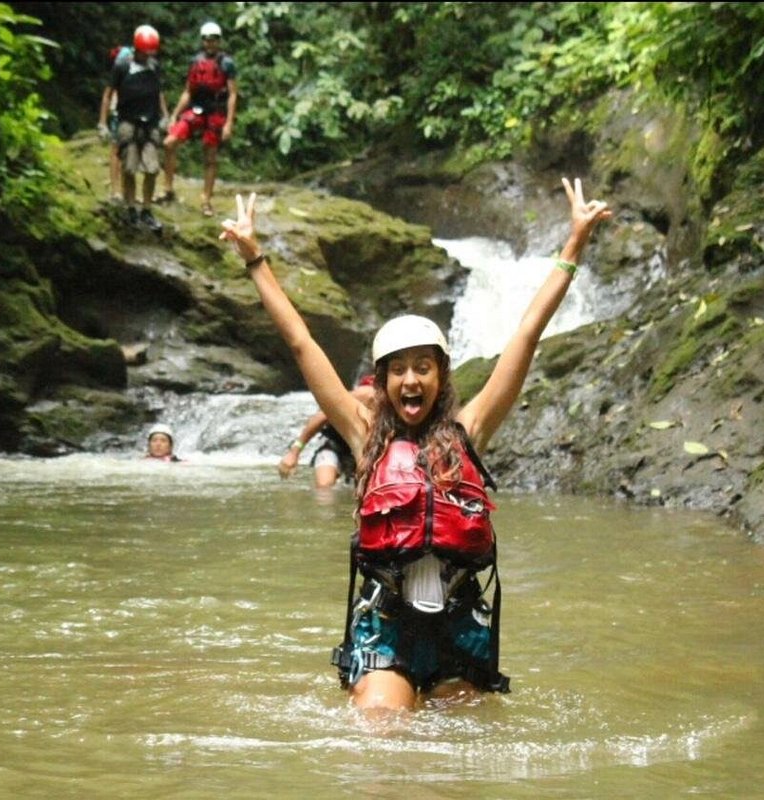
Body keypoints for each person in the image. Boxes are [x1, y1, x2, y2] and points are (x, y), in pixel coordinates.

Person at [219, 179, 612, 712]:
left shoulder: (469, 430)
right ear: (381, 382)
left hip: (458, 622)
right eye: (398, 370)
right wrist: (255, 259)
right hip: (386, 622)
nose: (410, 380)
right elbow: (300, 342)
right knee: (383, 726)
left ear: (441, 375)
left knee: (458, 744)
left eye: (423, 367)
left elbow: (525, 336)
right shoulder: (362, 435)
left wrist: (574, 246)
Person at [158, 21, 238, 218]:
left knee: (210, 157)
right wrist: (175, 115)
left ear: (219, 41)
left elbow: (233, 94)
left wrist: (229, 122)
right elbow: (188, 91)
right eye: (207, 39)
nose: (210, 43)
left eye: (213, 40)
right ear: (202, 41)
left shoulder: (226, 63)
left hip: (216, 112)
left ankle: (206, 200)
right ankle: (168, 189)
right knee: (169, 143)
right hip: (197, 110)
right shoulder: (195, 61)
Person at [108, 24, 169, 232]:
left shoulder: (154, 66)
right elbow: (109, 93)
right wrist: (103, 121)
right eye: (145, 52)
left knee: (152, 169)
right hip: (128, 122)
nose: (148, 56)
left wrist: (165, 116)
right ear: (137, 49)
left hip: (150, 123)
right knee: (129, 167)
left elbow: (158, 92)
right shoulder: (122, 67)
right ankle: (130, 208)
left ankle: (146, 209)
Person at [279, 377, 375, 488]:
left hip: (365, 448)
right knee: (324, 486)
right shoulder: (366, 394)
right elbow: (322, 416)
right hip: (334, 443)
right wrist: (294, 452)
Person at [97, 43, 133, 204]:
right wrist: (103, 123)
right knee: (117, 150)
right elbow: (108, 95)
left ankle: (124, 191)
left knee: (128, 152)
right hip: (120, 113)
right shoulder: (120, 70)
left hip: (132, 114)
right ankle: (116, 190)